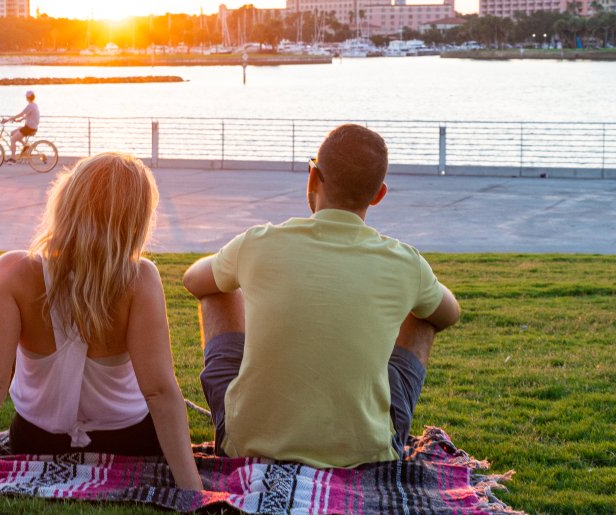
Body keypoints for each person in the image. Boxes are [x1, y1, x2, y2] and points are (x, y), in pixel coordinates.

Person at [182, 123, 461, 468]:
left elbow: (193, 280)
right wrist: (417, 285)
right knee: (424, 314)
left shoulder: (257, 243)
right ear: (379, 194)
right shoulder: (405, 262)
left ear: (312, 177)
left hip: (248, 445)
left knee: (216, 289)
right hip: (366, 456)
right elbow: (448, 314)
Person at [0, 153, 204, 491]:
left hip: (36, 440)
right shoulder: (140, 278)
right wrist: (193, 491)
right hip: (131, 441)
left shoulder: (12, 273)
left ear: (66, 200)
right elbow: (159, 391)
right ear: (136, 219)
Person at [1, 89, 39, 160]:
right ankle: (26, 146)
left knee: (12, 140)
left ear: (27, 97)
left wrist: (7, 120)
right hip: (31, 127)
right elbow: (28, 115)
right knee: (12, 133)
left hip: (29, 128)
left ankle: (13, 158)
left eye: (26, 97)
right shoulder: (34, 105)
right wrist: (20, 120)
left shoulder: (30, 105)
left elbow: (21, 114)